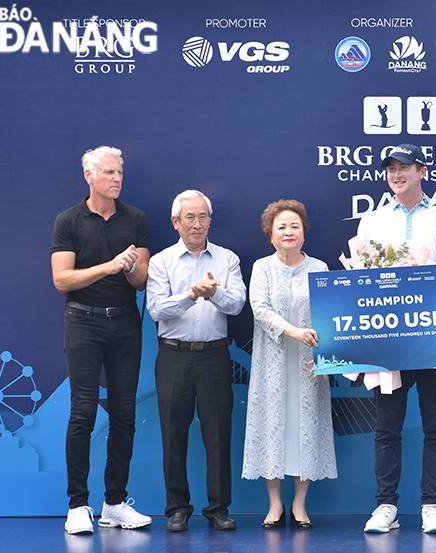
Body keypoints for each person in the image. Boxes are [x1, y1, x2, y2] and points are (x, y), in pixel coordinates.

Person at [357, 144, 436, 534]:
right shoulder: (372, 220)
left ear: (422, 171)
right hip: (389, 334)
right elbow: (361, 275)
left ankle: (432, 505)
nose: (397, 174)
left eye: (404, 167)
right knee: (387, 425)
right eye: (391, 168)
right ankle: (385, 507)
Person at [51, 145, 152, 534]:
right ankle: (78, 505)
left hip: (126, 323)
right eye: (109, 173)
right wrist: (109, 266)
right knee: (84, 412)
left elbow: (141, 279)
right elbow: (62, 280)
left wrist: (126, 269)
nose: (116, 179)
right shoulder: (69, 220)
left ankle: (113, 503)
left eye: (120, 173)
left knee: (125, 414)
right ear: (89, 176)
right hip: (83, 323)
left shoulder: (136, 219)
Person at [146, 190, 246, 531]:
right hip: (173, 355)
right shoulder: (161, 261)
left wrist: (214, 292)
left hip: (216, 355)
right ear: (176, 222)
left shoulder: (227, 259)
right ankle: (177, 508)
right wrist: (191, 296)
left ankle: (219, 509)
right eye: (189, 217)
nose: (197, 224)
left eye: (203, 217)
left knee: (219, 433)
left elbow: (236, 305)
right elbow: (156, 309)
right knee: (173, 433)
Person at [242, 199, 337, 530]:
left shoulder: (320, 268)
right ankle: (275, 504)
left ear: (304, 233)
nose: (288, 231)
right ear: (270, 234)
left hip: (309, 365)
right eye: (281, 226)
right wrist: (293, 331)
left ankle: (299, 504)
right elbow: (260, 308)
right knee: (272, 428)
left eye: (294, 226)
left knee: (304, 430)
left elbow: (330, 315)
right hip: (273, 363)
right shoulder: (262, 267)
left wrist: (326, 352)